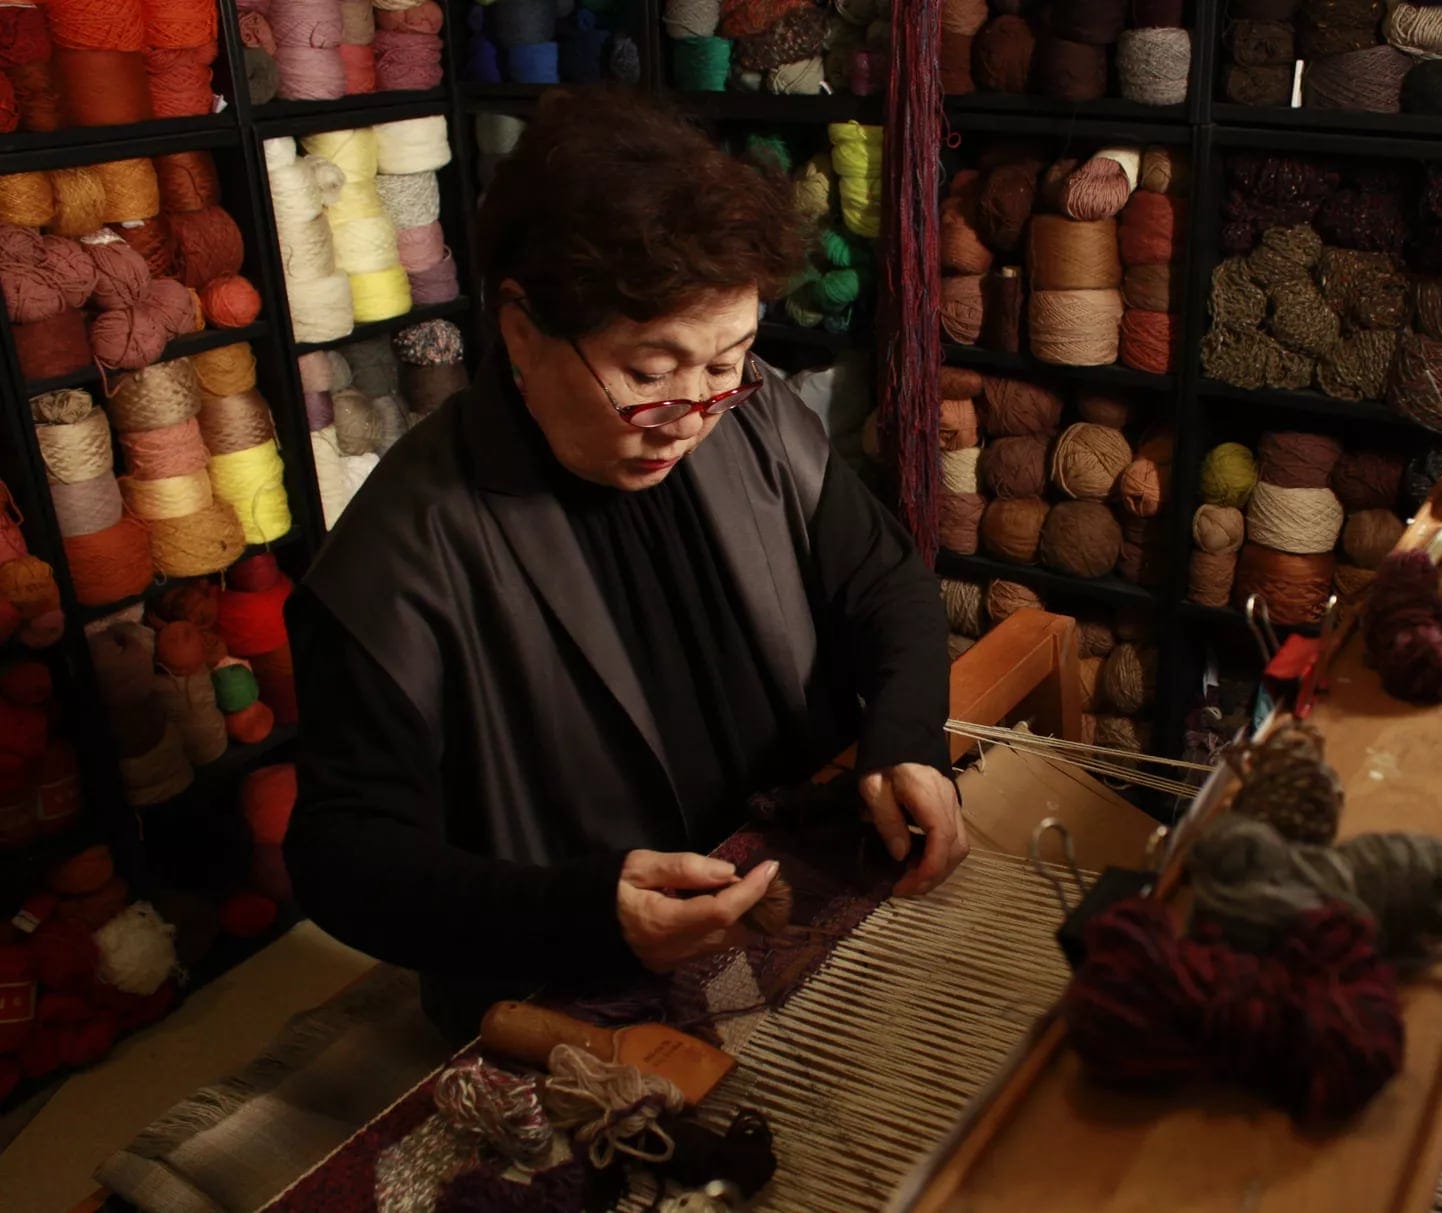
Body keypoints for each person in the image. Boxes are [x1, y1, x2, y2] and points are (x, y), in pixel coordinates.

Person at [283, 86, 965, 1040]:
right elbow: (343, 856)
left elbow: (884, 586)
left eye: (729, 356)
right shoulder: (403, 552)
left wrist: (904, 738)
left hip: (800, 887)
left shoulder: (752, 418)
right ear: (521, 329)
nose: (693, 414)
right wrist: (581, 910)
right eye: (649, 373)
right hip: (579, 993)